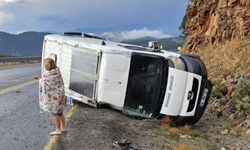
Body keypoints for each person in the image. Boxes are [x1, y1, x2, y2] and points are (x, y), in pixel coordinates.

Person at [38, 58, 66, 135]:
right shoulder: (57, 72)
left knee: (55, 113)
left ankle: (58, 129)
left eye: (45, 65)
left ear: (47, 66)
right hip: (60, 96)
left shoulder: (47, 75)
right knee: (60, 113)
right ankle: (63, 127)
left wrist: (40, 79)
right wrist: (41, 79)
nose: (44, 66)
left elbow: (45, 83)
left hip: (53, 98)